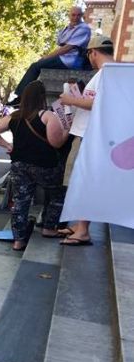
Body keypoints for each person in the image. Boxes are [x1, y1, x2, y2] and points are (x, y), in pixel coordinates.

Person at [0, 81, 68, 251]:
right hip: (45, 166)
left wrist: (7, 146)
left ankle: (19, 240)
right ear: (42, 97)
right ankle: (49, 227)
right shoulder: (47, 116)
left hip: (19, 165)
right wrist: (66, 130)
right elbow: (56, 143)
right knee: (57, 194)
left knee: (20, 201)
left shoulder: (14, 117)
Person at [56, 35, 114, 246]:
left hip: (90, 136)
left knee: (84, 181)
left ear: (93, 52)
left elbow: (98, 103)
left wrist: (70, 99)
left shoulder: (108, 73)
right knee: (78, 181)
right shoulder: (104, 74)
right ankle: (79, 226)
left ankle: (83, 230)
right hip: (86, 134)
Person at [9, 6, 92, 105]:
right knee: (38, 65)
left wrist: (47, 57)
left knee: (35, 66)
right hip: (63, 57)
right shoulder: (67, 28)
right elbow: (60, 42)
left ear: (82, 15)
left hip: (71, 60)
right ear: (69, 15)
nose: (76, 17)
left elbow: (67, 48)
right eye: (73, 15)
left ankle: (21, 97)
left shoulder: (84, 28)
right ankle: (24, 97)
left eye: (79, 15)